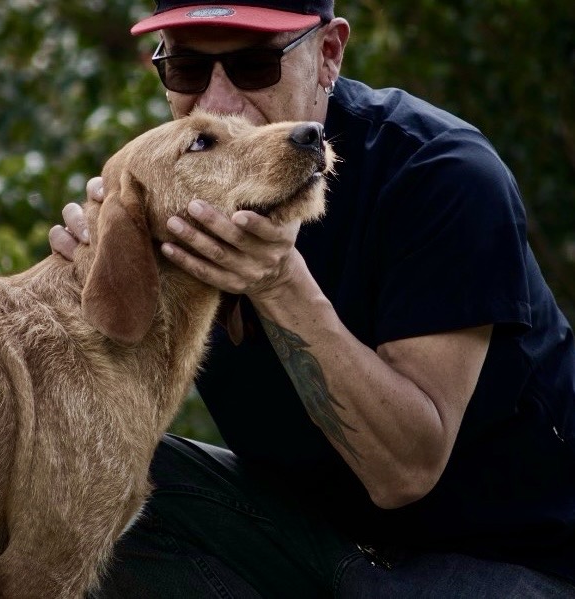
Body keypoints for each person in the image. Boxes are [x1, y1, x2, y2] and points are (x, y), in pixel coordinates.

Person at [49, 1, 575, 597]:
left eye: (253, 65)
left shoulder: (444, 173)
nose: (217, 102)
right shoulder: (179, 183)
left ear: (328, 54)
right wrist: (98, 275)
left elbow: (404, 473)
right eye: (188, 70)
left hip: (511, 560)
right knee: (83, 476)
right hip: (315, 538)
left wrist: (278, 283)